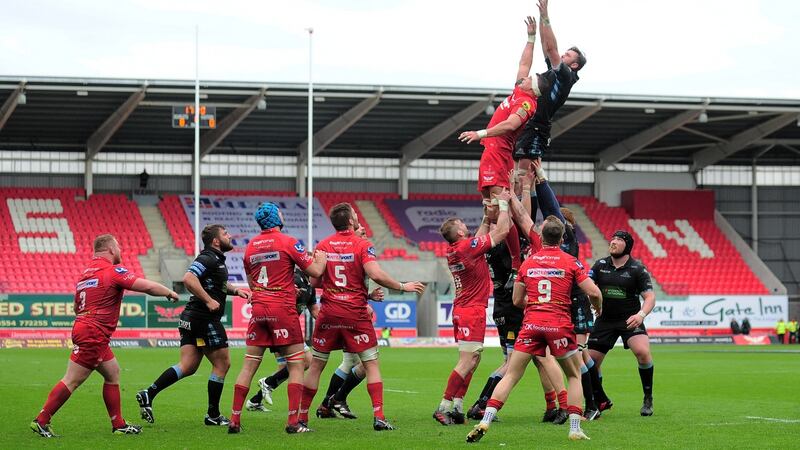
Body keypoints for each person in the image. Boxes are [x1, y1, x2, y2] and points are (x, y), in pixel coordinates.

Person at [466, 217, 602, 443]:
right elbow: (594, 293)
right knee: (574, 374)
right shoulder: (571, 261)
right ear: (561, 238)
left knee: (511, 374)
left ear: (542, 237)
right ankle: (575, 428)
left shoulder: (527, 263)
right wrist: (598, 308)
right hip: (558, 324)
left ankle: (486, 420)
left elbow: (517, 300)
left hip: (531, 324)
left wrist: (536, 302)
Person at [31, 234, 179, 437]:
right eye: (118, 247)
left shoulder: (85, 275)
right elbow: (146, 286)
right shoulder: (113, 271)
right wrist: (168, 292)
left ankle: (118, 424)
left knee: (112, 372)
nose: (120, 251)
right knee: (72, 379)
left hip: (86, 328)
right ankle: (41, 420)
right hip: (93, 333)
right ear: (110, 249)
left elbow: (76, 307)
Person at [298, 203, 425, 432]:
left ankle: (302, 419)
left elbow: (315, 282)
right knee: (371, 364)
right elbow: (375, 274)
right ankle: (379, 417)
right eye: (355, 215)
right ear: (350, 222)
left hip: (328, 312)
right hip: (355, 313)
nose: (358, 218)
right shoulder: (362, 245)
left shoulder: (324, 245)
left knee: (316, 365)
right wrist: (402, 286)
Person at [227, 202, 327, 434]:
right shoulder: (288, 242)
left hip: (259, 309)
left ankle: (234, 420)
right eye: (280, 212)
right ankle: (293, 423)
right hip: (282, 309)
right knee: (297, 365)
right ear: (276, 218)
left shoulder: (251, 246)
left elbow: (252, 282)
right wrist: (320, 258)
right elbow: (315, 272)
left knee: (248, 366)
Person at [136, 224, 250, 426]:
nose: (229, 236)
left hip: (191, 318)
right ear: (216, 241)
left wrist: (235, 291)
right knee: (222, 364)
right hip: (204, 318)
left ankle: (148, 393)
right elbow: (189, 279)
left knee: (188, 366)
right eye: (225, 234)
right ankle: (213, 415)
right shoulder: (208, 257)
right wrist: (208, 300)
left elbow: (218, 285)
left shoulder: (216, 260)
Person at [459, 16, 542, 291]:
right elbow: (523, 63)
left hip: (498, 153)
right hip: (491, 155)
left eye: (533, 78)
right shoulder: (520, 88)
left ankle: (520, 262)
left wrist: (481, 133)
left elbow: (510, 125)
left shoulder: (528, 103)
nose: (528, 76)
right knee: (493, 210)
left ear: (535, 89)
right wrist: (531, 37)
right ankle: (508, 260)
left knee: (509, 207)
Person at [433, 189, 513, 425]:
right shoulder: (467, 248)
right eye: (461, 224)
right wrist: (505, 205)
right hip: (471, 311)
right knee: (468, 360)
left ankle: (457, 405)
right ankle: (443, 406)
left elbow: (479, 237)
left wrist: (487, 218)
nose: (464, 225)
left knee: (474, 359)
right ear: (458, 232)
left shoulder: (459, 248)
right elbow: (503, 231)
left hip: (462, 309)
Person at [587, 230, 656, 417]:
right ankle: (599, 400)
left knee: (642, 352)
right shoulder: (600, 265)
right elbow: (588, 286)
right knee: (591, 362)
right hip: (605, 320)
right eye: (613, 238)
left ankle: (648, 397)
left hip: (629, 319)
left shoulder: (637, 269)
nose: (613, 242)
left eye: (619, 239)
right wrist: (593, 303)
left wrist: (641, 315)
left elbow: (650, 297)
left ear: (628, 246)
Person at [514, 0, 587, 166]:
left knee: (525, 177)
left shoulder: (566, 75)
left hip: (537, 127)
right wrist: (541, 18)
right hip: (531, 124)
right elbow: (546, 45)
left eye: (567, 55)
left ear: (574, 65)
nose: (562, 55)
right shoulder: (555, 71)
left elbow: (552, 49)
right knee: (526, 177)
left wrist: (546, 16)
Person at [245, 268, 317, 412]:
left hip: (286, 326)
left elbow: (314, 310)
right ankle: (267, 383)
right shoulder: (295, 278)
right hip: (281, 324)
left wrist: (326, 324)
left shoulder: (309, 285)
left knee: (284, 368)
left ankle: (255, 400)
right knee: (306, 361)